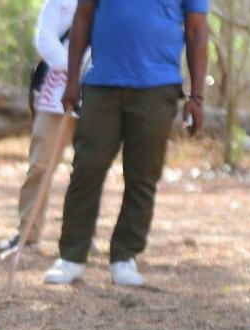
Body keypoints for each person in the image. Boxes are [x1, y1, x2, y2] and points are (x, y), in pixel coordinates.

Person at [44, 0, 208, 287]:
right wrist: (72, 80)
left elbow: (196, 28)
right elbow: (83, 16)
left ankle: (124, 256)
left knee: (142, 175)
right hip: (102, 82)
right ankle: (71, 256)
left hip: (157, 86)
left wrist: (197, 97)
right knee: (86, 167)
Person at [0, 0, 79, 255]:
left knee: (87, 170)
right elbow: (45, 40)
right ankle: (27, 234)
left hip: (99, 91)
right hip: (57, 93)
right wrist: (75, 68)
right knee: (39, 165)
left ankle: (78, 239)